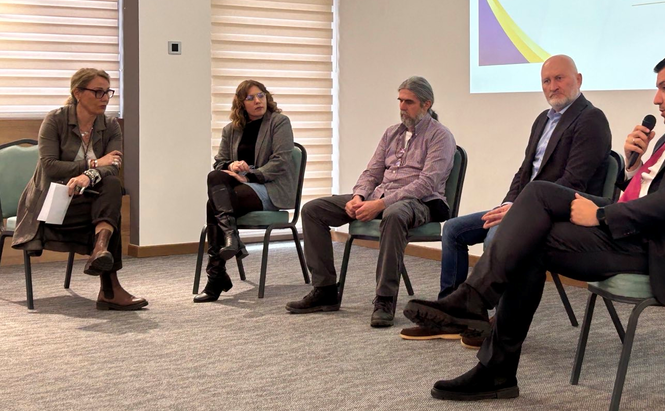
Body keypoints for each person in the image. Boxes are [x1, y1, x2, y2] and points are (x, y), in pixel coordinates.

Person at [403, 51, 665, 400]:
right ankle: (485, 337)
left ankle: (486, 339)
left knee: (531, 238)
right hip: (637, 232)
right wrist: (634, 167)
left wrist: (601, 216)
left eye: (663, 87)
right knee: (537, 199)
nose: (656, 98)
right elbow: (647, 195)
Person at [400, 55, 611, 345]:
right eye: (546, 81)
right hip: (526, 207)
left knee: (495, 239)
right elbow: (524, 172)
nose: (553, 86)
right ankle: (450, 314)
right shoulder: (543, 120)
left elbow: (573, 184)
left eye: (559, 78)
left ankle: (497, 324)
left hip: (561, 214)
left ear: (579, 79)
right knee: (453, 230)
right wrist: (507, 205)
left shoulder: (591, 119)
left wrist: (517, 211)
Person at [286, 76, 456, 327]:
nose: (401, 107)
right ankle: (325, 291)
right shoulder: (392, 133)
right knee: (313, 210)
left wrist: (381, 204)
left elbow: (426, 184)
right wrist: (359, 197)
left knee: (394, 214)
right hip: (379, 197)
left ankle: (385, 299)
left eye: (408, 102)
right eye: (400, 100)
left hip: (419, 202)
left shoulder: (441, 136)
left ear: (426, 104)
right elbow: (372, 172)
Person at [13, 68, 146, 310]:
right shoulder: (55, 120)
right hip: (51, 206)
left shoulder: (110, 125)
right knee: (110, 211)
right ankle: (108, 285)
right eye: (98, 92)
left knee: (112, 186)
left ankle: (100, 250)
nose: (105, 98)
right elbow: (51, 167)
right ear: (78, 93)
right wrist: (94, 164)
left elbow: (113, 166)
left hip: (88, 203)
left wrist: (89, 176)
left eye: (108, 92)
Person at [194, 80, 297, 303]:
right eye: (250, 98)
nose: (258, 101)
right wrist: (231, 166)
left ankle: (216, 276)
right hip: (241, 190)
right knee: (215, 177)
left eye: (261, 95)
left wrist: (249, 174)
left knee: (213, 205)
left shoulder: (279, 122)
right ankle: (230, 242)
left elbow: (280, 162)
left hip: (270, 188)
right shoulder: (231, 130)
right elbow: (219, 163)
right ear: (241, 103)